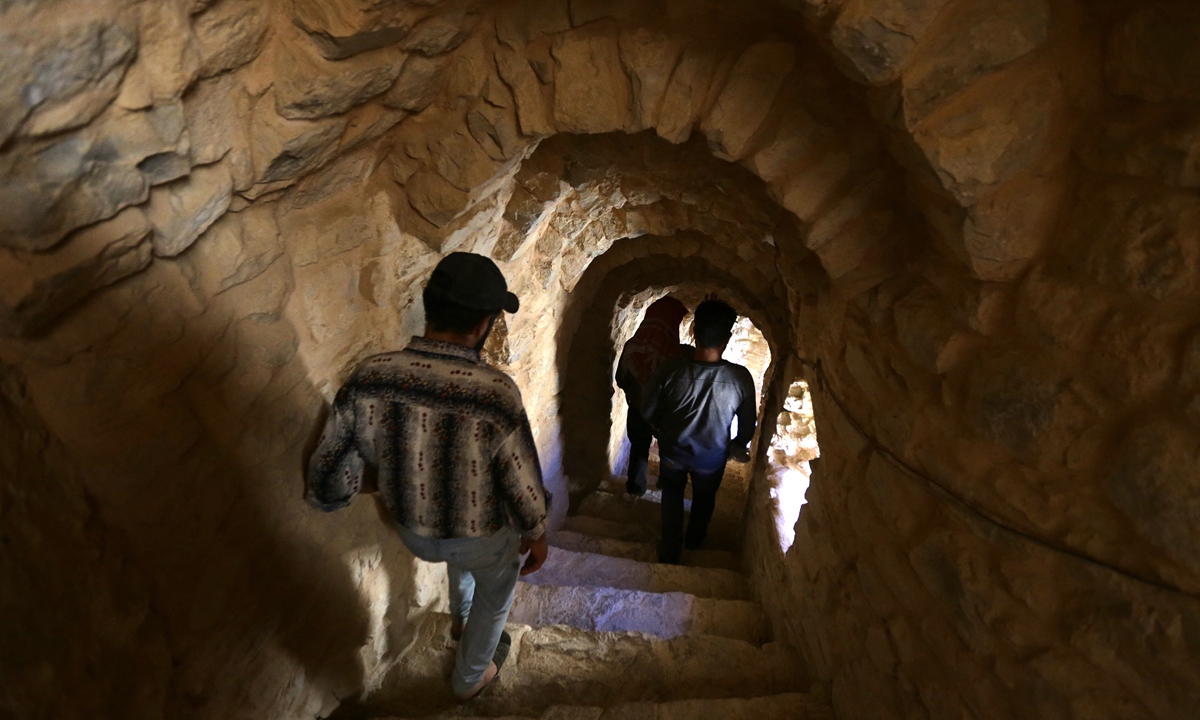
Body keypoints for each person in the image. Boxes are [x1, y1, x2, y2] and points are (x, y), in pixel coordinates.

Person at [305, 252, 550, 701]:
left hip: (412, 532)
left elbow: (327, 482)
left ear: (429, 308)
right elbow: (523, 485)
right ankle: (469, 677)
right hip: (475, 538)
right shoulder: (495, 394)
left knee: (463, 543)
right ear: (482, 325)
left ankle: (460, 617)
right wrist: (537, 533)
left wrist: (384, 475)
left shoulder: (371, 377)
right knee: (499, 579)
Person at [642, 299, 756, 565]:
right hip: (711, 457)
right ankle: (694, 540)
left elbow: (647, 409)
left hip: (673, 452)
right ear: (727, 338)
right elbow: (748, 424)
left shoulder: (671, 369)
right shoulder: (740, 378)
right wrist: (736, 445)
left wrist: (661, 429)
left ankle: (670, 549)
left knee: (672, 496)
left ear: (693, 330)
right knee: (704, 500)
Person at [614, 297, 690, 496]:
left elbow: (620, 379)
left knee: (639, 448)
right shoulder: (676, 355)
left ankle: (635, 487)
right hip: (663, 417)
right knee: (666, 450)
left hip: (637, 410)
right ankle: (664, 483)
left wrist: (636, 391)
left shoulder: (632, 346)